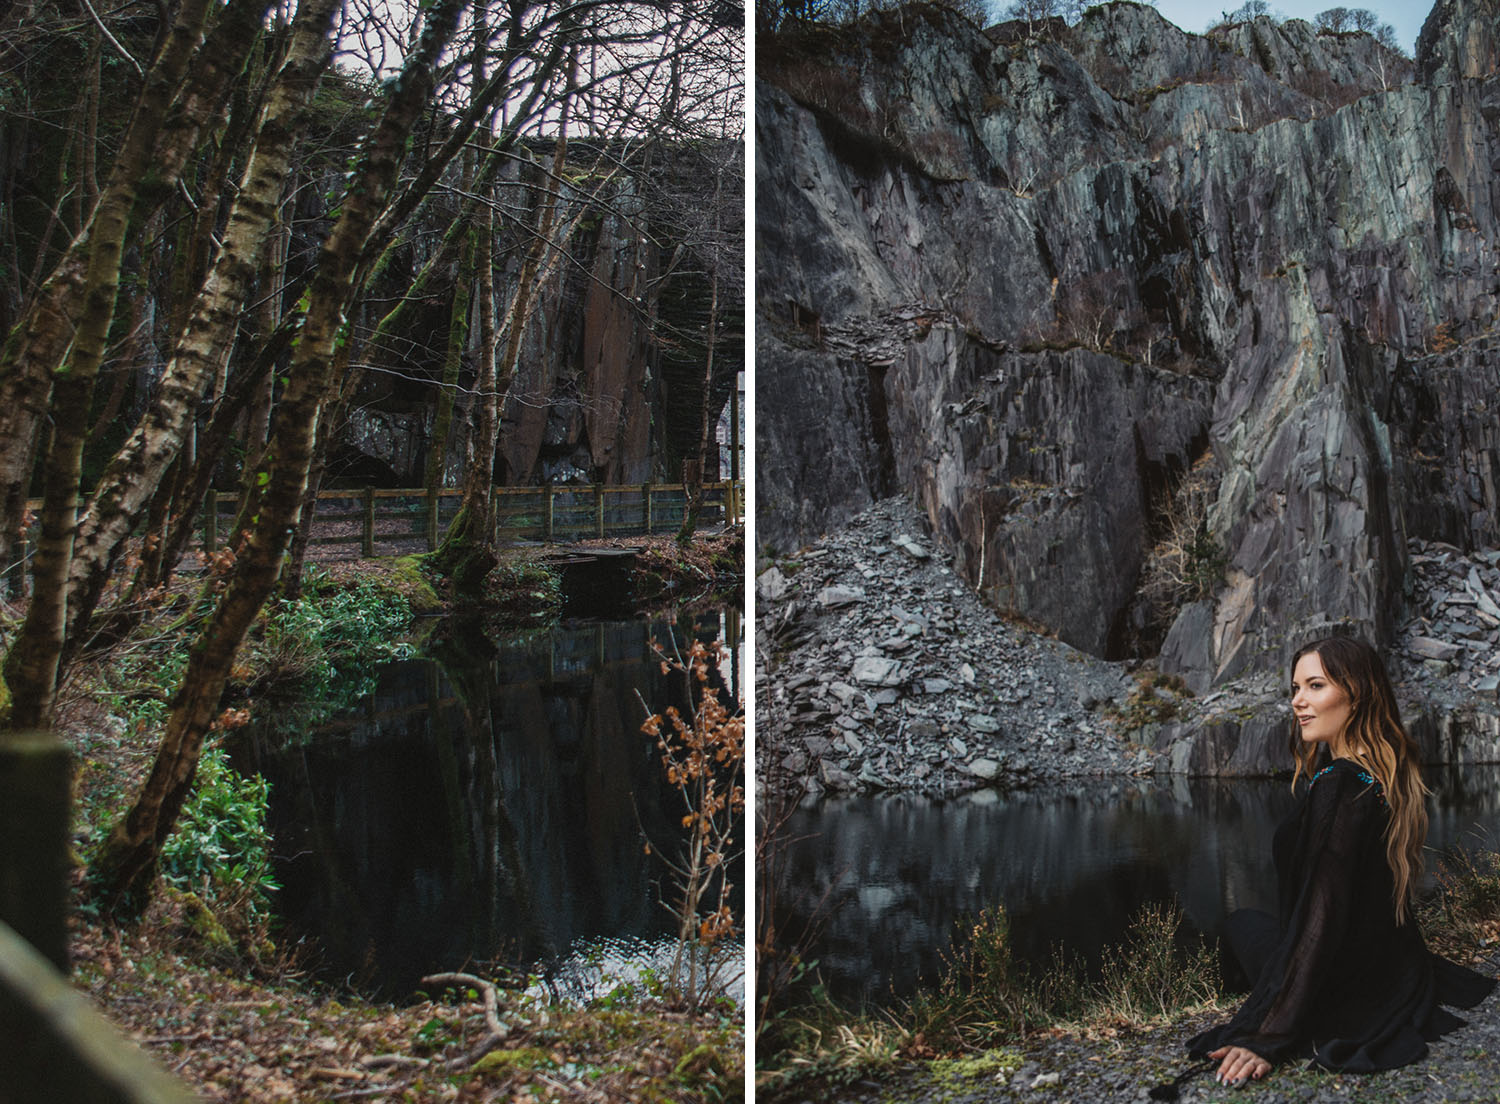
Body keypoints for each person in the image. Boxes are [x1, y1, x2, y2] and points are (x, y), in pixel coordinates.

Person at [1187, 635, 1496, 1086]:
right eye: (1294, 689)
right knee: (1247, 922)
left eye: (1315, 686)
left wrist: (1268, 1032)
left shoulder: (1340, 784)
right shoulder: (1377, 774)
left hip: (1339, 977)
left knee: (1239, 924)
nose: (1298, 702)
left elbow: (1323, 910)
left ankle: (1254, 998)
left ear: (1357, 694)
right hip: (1383, 965)